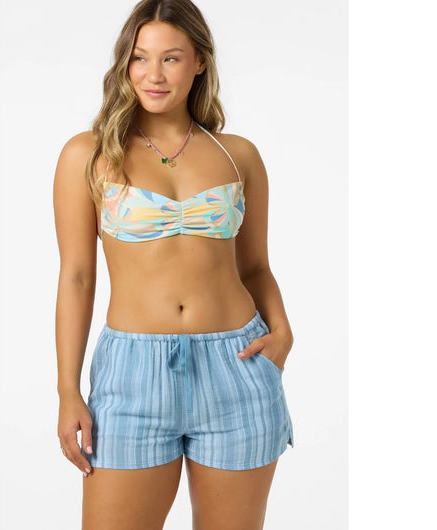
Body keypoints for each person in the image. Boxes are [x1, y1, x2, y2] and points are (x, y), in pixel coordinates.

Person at [53, 1, 295, 528]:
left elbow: (255, 266)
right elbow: (76, 277)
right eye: (140, 58)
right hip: (132, 374)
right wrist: (68, 390)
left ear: (200, 62)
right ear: (125, 62)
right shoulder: (88, 155)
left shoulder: (238, 155)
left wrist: (281, 331)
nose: (154, 75)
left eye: (171, 58)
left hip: (238, 366)